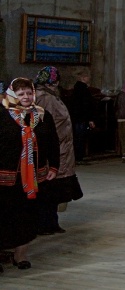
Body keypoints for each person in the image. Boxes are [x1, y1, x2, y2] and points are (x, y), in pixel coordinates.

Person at [0, 78, 60, 270]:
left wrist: (54, 167)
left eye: (28, 93)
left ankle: (21, 255)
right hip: (5, 177)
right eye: (21, 94)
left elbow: (53, 143)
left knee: (27, 216)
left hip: (33, 177)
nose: (26, 97)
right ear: (12, 95)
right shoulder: (3, 115)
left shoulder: (43, 115)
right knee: (3, 215)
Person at [33, 66, 83, 235]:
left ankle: (51, 222)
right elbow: (43, 125)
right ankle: (44, 223)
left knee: (54, 189)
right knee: (48, 187)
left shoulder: (52, 96)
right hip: (53, 149)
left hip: (62, 148)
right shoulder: (44, 98)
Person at [68, 69, 95, 162]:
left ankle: (77, 157)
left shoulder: (76, 89)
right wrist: (90, 119)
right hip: (82, 117)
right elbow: (87, 105)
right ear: (83, 78)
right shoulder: (84, 89)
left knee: (77, 137)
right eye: (88, 77)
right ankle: (79, 157)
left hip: (76, 117)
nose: (89, 78)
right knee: (80, 138)